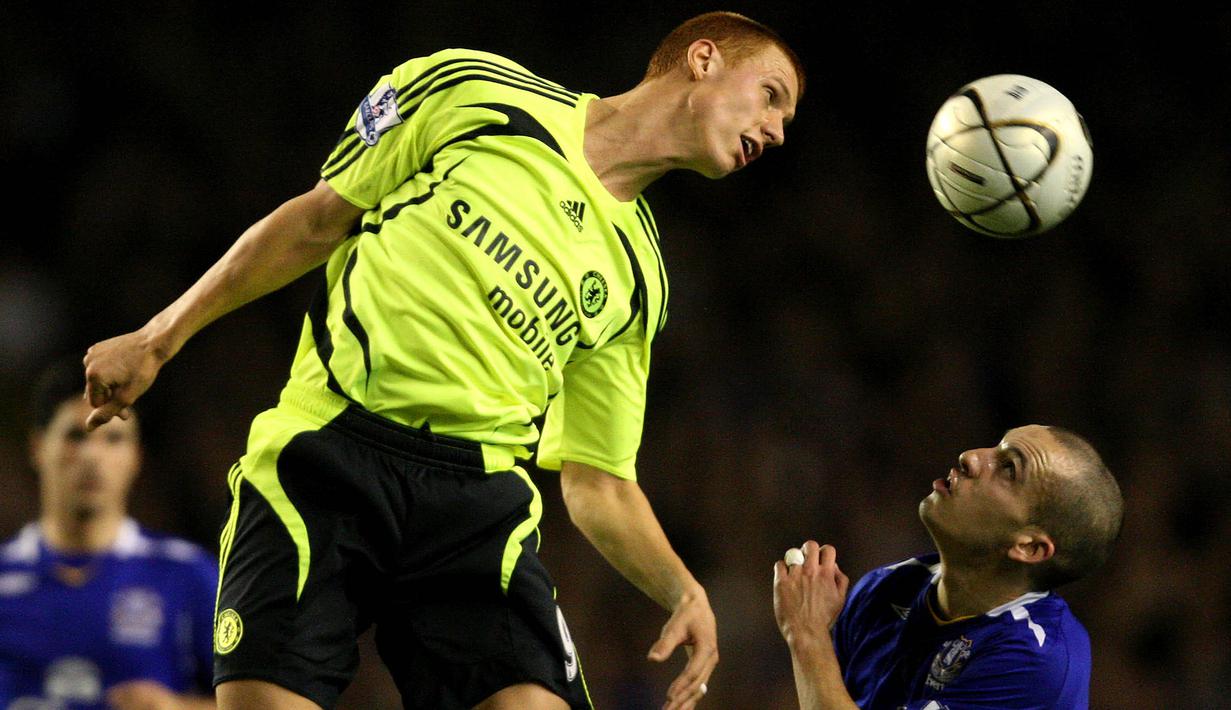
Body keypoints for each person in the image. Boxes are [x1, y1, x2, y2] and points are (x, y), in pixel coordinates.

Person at [81, 11, 804, 710]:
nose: (774, 132)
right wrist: (158, 337)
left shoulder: (641, 278)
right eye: (770, 96)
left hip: (476, 502)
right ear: (701, 59)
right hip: (326, 456)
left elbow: (596, 479)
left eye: (786, 123)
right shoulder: (475, 92)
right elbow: (316, 219)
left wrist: (682, 588)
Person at [773, 425, 1124, 710]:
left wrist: (807, 635)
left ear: (1029, 547)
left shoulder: (1037, 661)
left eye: (1008, 469)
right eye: (995, 447)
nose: (970, 457)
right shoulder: (889, 587)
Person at [0, 360, 218, 710]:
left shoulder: (187, 575)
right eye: (75, 436)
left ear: (136, 457)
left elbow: (258, 702)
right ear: (38, 447)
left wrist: (178, 708)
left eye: (113, 439)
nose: (92, 457)